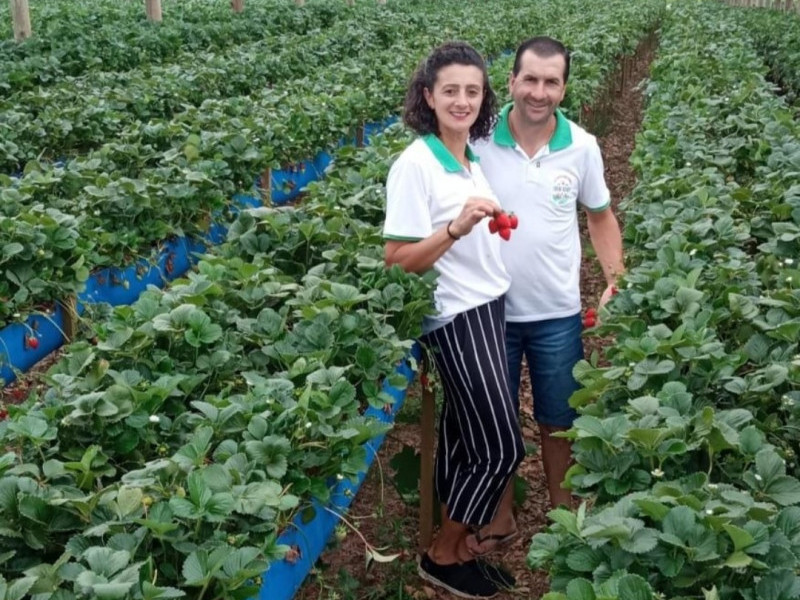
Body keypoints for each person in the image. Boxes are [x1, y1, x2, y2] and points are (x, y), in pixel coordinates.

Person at [469, 36, 624, 552]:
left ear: (564, 87)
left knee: (560, 418)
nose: (539, 92)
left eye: (551, 81)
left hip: (557, 311)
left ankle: (565, 518)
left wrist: (614, 278)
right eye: (529, 79)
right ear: (510, 81)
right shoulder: (477, 139)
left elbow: (599, 217)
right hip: (488, 308)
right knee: (496, 418)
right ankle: (500, 516)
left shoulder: (581, 146)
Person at [383, 41, 525, 598]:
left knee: (467, 435)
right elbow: (397, 261)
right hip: (456, 317)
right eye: (450, 91)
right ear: (428, 96)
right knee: (501, 446)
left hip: (490, 306)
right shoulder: (415, 164)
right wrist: (456, 229)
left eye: (472, 91)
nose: (463, 101)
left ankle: (460, 544)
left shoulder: (471, 157)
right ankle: (442, 554)